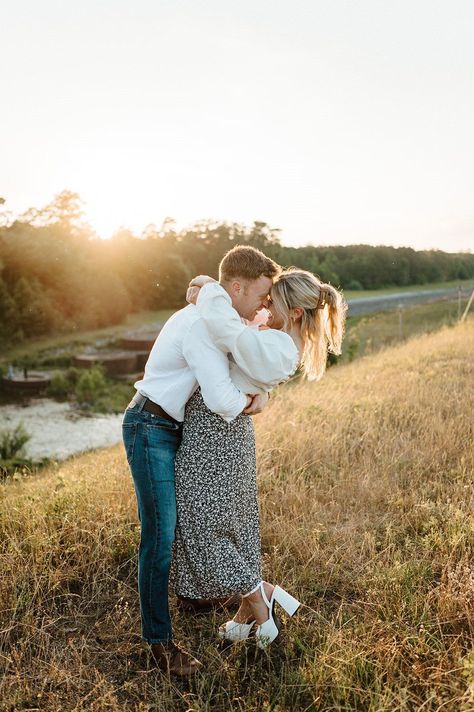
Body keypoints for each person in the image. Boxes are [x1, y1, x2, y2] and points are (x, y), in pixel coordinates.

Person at [121, 245, 279, 676]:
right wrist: (251, 399)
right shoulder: (202, 327)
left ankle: (193, 596)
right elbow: (222, 398)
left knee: (188, 520)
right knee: (160, 537)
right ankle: (160, 646)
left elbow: (246, 372)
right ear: (236, 286)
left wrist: (260, 392)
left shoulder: (219, 320)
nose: (264, 305)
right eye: (261, 295)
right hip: (149, 427)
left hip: (176, 430)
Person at [173, 267, 347, 649]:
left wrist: (209, 289)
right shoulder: (279, 341)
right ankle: (244, 615)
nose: (266, 305)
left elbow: (227, 332)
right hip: (226, 429)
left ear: (296, 312)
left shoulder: (282, 346)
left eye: (274, 301)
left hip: (214, 431)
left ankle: (259, 594)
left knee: (199, 523)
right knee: (235, 524)